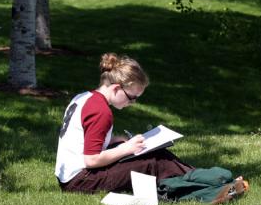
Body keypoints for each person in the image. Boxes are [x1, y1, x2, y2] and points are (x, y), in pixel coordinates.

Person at [55, 53, 194, 194]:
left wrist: (115, 141)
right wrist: (126, 148)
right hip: (80, 181)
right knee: (153, 161)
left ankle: (196, 176)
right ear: (116, 88)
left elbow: (82, 140)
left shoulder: (84, 97)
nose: (132, 103)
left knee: (153, 153)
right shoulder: (101, 111)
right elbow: (91, 159)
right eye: (131, 97)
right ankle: (197, 180)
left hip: (69, 176)